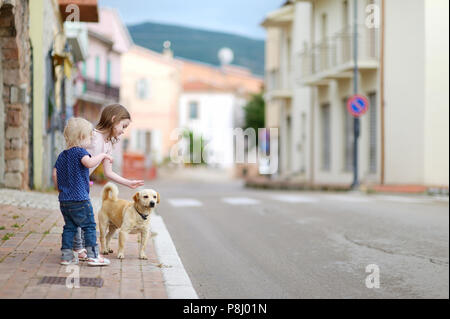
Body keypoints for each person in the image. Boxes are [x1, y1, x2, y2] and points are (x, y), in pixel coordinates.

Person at [72, 104, 145, 261]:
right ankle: (84, 250)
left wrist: (128, 183)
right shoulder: (91, 136)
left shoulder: (108, 143)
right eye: (123, 126)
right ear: (113, 119)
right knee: (85, 217)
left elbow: (108, 172)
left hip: (82, 183)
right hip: (74, 182)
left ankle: (79, 248)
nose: (123, 131)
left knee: (80, 217)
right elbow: (74, 152)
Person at [53, 117, 111, 266]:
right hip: (80, 200)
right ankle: (93, 256)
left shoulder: (62, 156)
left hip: (65, 200)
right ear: (80, 137)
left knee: (69, 228)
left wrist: (60, 188)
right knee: (89, 226)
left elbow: (55, 174)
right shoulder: (80, 152)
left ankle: (66, 257)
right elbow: (89, 163)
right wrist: (103, 155)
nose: (91, 140)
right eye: (89, 137)